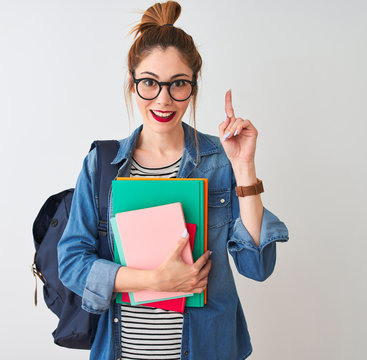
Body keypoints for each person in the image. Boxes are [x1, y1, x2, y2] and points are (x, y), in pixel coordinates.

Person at [57, 2, 289, 359]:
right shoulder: (102, 164)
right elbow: (72, 264)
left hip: (206, 349)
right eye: (150, 82)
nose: (163, 99)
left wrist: (244, 168)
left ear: (192, 88)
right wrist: (154, 281)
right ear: (133, 85)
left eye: (178, 84)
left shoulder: (219, 161)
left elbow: (257, 267)